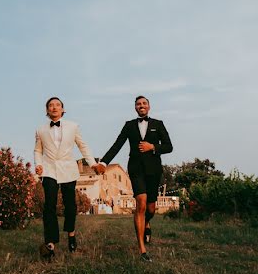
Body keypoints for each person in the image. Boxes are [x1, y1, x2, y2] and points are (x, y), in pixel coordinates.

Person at [95, 95, 173, 262]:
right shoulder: (129, 126)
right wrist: (103, 162)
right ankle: (142, 251)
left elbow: (169, 146)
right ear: (135, 108)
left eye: (144, 103)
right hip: (136, 169)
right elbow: (117, 144)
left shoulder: (158, 124)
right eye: (138, 104)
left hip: (153, 170)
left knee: (150, 209)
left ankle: (147, 223)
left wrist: (153, 147)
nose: (141, 105)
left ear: (149, 107)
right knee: (141, 204)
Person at [34, 96, 99, 261]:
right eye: (51, 105)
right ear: (47, 110)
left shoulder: (73, 126)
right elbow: (37, 150)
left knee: (70, 205)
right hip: (49, 170)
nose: (54, 107)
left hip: (68, 170)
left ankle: (71, 234)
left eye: (57, 105)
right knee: (49, 205)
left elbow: (82, 146)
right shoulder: (40, 129)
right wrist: (38, 164)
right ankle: (50, 243)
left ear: (63, 109)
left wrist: (92, 164)